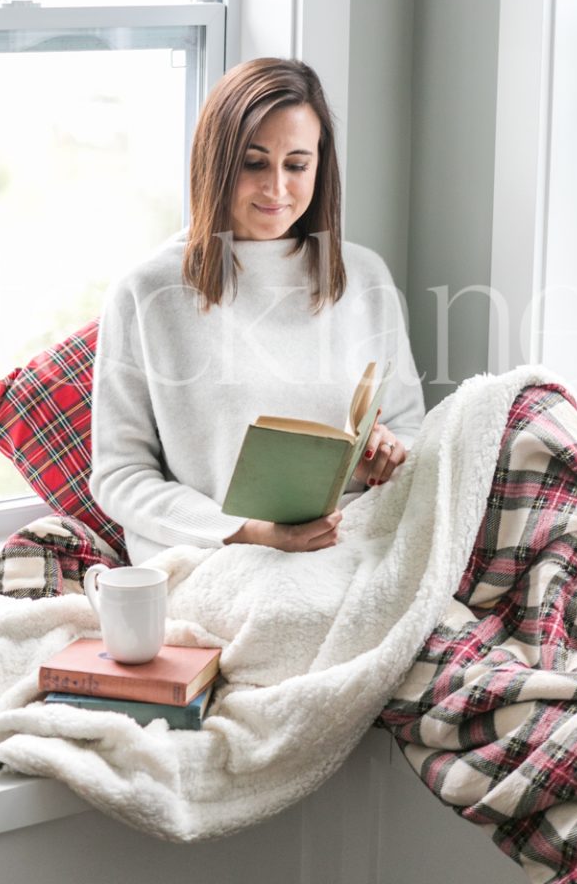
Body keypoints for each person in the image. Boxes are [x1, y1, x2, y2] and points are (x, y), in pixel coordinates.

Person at [90, 58, 424, 565]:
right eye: (253, 163)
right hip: (213, 558)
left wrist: (388, 452)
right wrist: (249, 531)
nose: (276, 189)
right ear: (216, 161)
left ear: (319, 165)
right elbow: (120, 476)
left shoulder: (363, 274)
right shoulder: (146, 292)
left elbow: (410, 428)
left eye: (296, 164)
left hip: (353, 544)